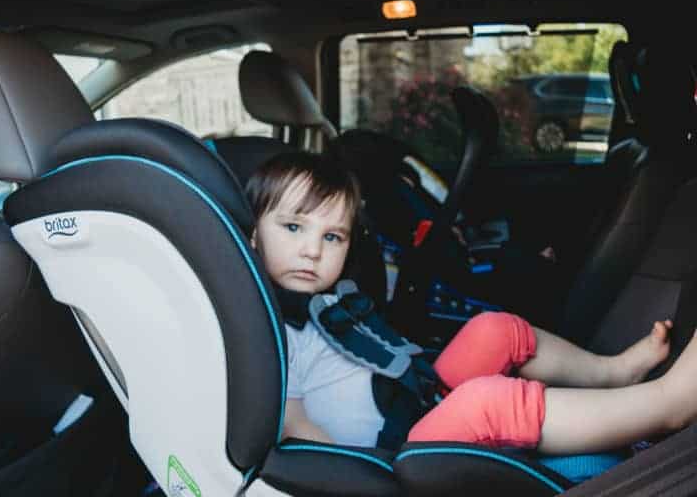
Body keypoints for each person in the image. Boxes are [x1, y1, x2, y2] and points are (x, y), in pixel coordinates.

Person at [246, 150, 697, 455]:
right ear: (251, 235)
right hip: (390, 457)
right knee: (485, 402)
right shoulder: (268, 329)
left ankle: (612, 372)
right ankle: (666, 405)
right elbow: (297, 432)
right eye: (292, 228)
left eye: (331, 236)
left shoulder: (328, 299)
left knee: (494, 329)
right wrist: (362, 478)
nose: (312, 251)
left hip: (414, 398)